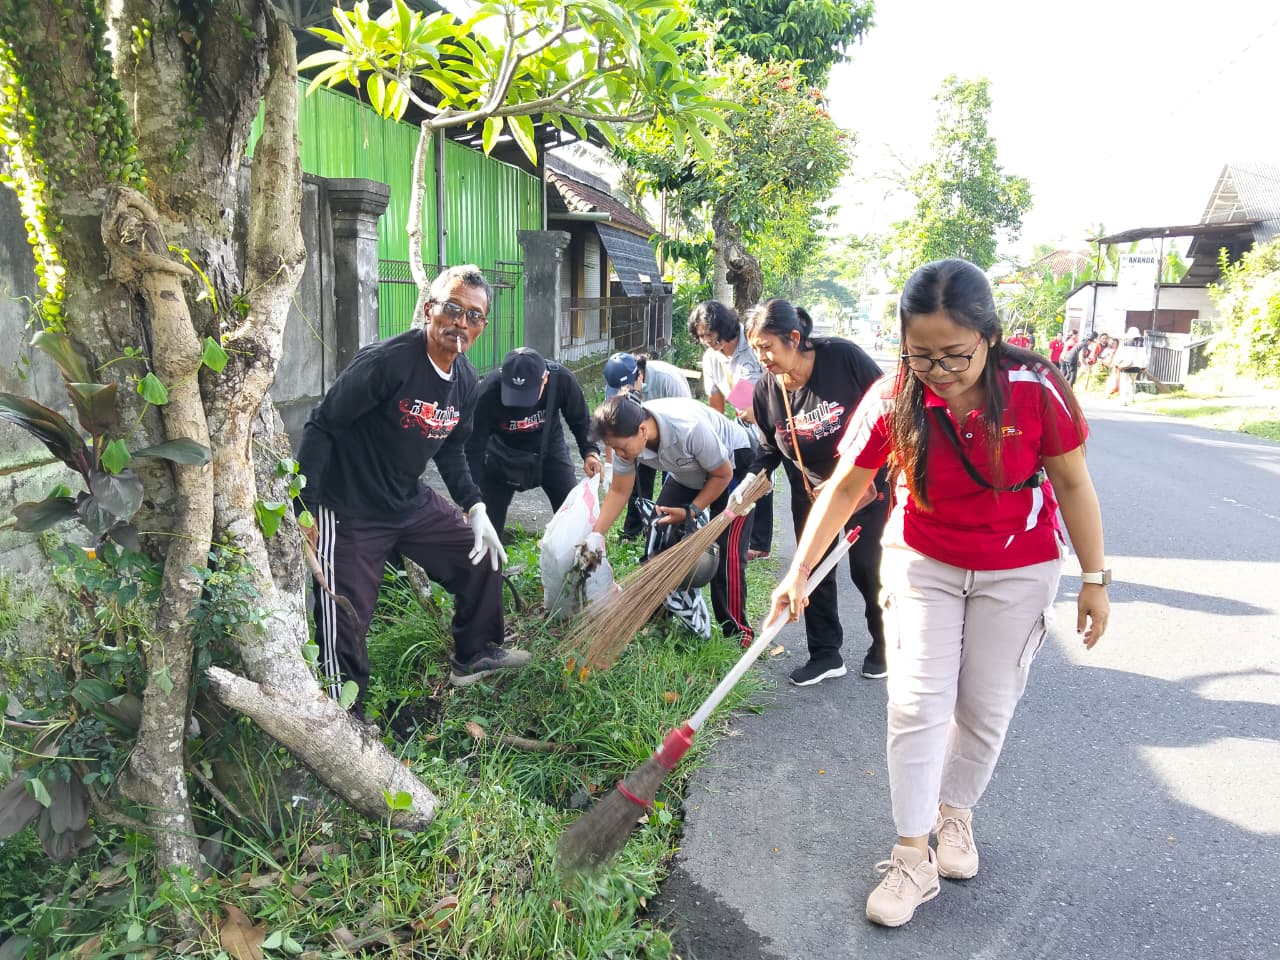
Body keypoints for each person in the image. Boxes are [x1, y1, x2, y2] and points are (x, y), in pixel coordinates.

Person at [769, 258, 1109, 928]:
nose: (940, 371)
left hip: (1018, 566)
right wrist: (799, 570)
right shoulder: (895, 393)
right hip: (923, 559)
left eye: (956, 354)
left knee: (984, 707)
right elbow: (845, 487)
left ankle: (955, 816)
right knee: (918, 702)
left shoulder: (1036, 385)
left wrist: (1095, 580)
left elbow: (1072, 482)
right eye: (921, 355)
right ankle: (912, 854)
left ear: (989, 334)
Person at [296, 265, 530, 704]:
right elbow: (322, 426)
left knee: (480, 557)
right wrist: (304, 508)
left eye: (474, 316)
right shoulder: (387, 363)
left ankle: (474, 655)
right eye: (453, 308)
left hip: (405, 501)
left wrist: (475, 507)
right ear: (430, 310)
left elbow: (453, 448)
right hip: (349, 510)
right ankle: (343, 712)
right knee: (345, 615)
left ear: (482, 326)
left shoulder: (464, 380)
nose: (461, 322)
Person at [745, 299, 890, 686]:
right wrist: (748, 484)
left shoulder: (842, 359)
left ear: (794, 338)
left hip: (867, 486)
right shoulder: (766, 390)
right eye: (756, 349)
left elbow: (890, 407)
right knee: (811, 574)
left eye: (767, 347)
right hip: (810, 491)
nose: (762, 358)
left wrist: (882, 471)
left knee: (868, 568)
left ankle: (885, 644)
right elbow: (767, 446)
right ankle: (825, 654)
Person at [587, 394, 758, 644]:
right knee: (658, 536)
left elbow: (722, 475)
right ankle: (659, 616)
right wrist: (597, 534)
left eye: (622, 447)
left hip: (734, 469)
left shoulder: (688, 428)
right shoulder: (629, 440)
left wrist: (692, 511)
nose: (620, 454)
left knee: (725, 551)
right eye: (614, 448)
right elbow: (620, 490)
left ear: (643, 430)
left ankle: (736, 632)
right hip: (688, 473)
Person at [466, 347, 603, 537]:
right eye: (514, 394)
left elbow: (581, 420)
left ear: (544, 378)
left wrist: (590, 452)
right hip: (501, 456)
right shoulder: (487, 392)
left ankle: (577, 563)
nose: (520, 403)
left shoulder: (561, 379)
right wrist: (471, 498)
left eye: (527, 394)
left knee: (573, 516)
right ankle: (488, 566)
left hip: (550, 450)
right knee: (485, 528)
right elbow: (473, 448)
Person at [688, 300, 774, 561]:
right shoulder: (711, 356)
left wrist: (749, 411)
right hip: (742, 420)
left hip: (771, 418)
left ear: (724, 328)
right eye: (701, 336)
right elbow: (716, 399)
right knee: (748, 473)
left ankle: (761, 542)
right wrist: (718, 432)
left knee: (766, 474)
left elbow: (751, 396)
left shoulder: (751, 345)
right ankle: (748, 538)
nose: (706, 341)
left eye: (710, 335)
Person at [602, 351, 692, 539]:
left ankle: (667, 530)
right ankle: (632, 530)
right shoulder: (615, 389)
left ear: (640, 376)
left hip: (675, 433)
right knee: (639, 479)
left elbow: (687, 419)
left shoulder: (668, 381)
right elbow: (611, 429)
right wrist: (610, 464)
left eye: (626, 388)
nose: (622, 394)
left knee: (674, 480)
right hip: (640, 434)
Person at [1111, 326, 1147, 406]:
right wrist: (1144, 366)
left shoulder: (1125, 343)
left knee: (1124, 382)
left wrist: (1116, 363)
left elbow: (1119, 354)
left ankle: (1124, 400)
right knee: (1132, 382)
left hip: (1125, 365)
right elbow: (1144, 356)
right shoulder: (1141, 344)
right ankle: (1131, 398)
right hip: (1136, 366)